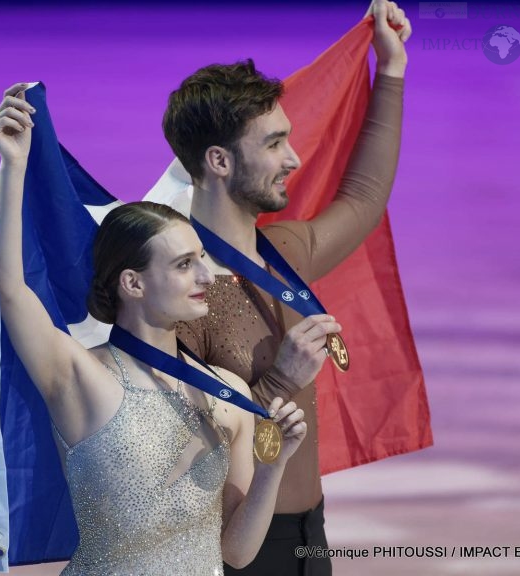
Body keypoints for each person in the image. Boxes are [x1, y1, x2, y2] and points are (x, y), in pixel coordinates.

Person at [0, 83, 313, 574]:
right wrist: (14, 166)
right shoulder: (81, 377)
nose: (207, 276)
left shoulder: (230, 394)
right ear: (133, 283)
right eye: (185, 264)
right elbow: (13, 289)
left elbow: (237, 552)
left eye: (202, 259)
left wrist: (274, 466)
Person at [161, 0, 413, 573]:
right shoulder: (175, 292)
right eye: (273, 143)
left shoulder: (285, 253)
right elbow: (183, 446)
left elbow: (365, 200)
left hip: (309, 534)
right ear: (219, 161)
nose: (294, 158)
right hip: (227, 548)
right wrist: (282, 379)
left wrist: (390, 72)